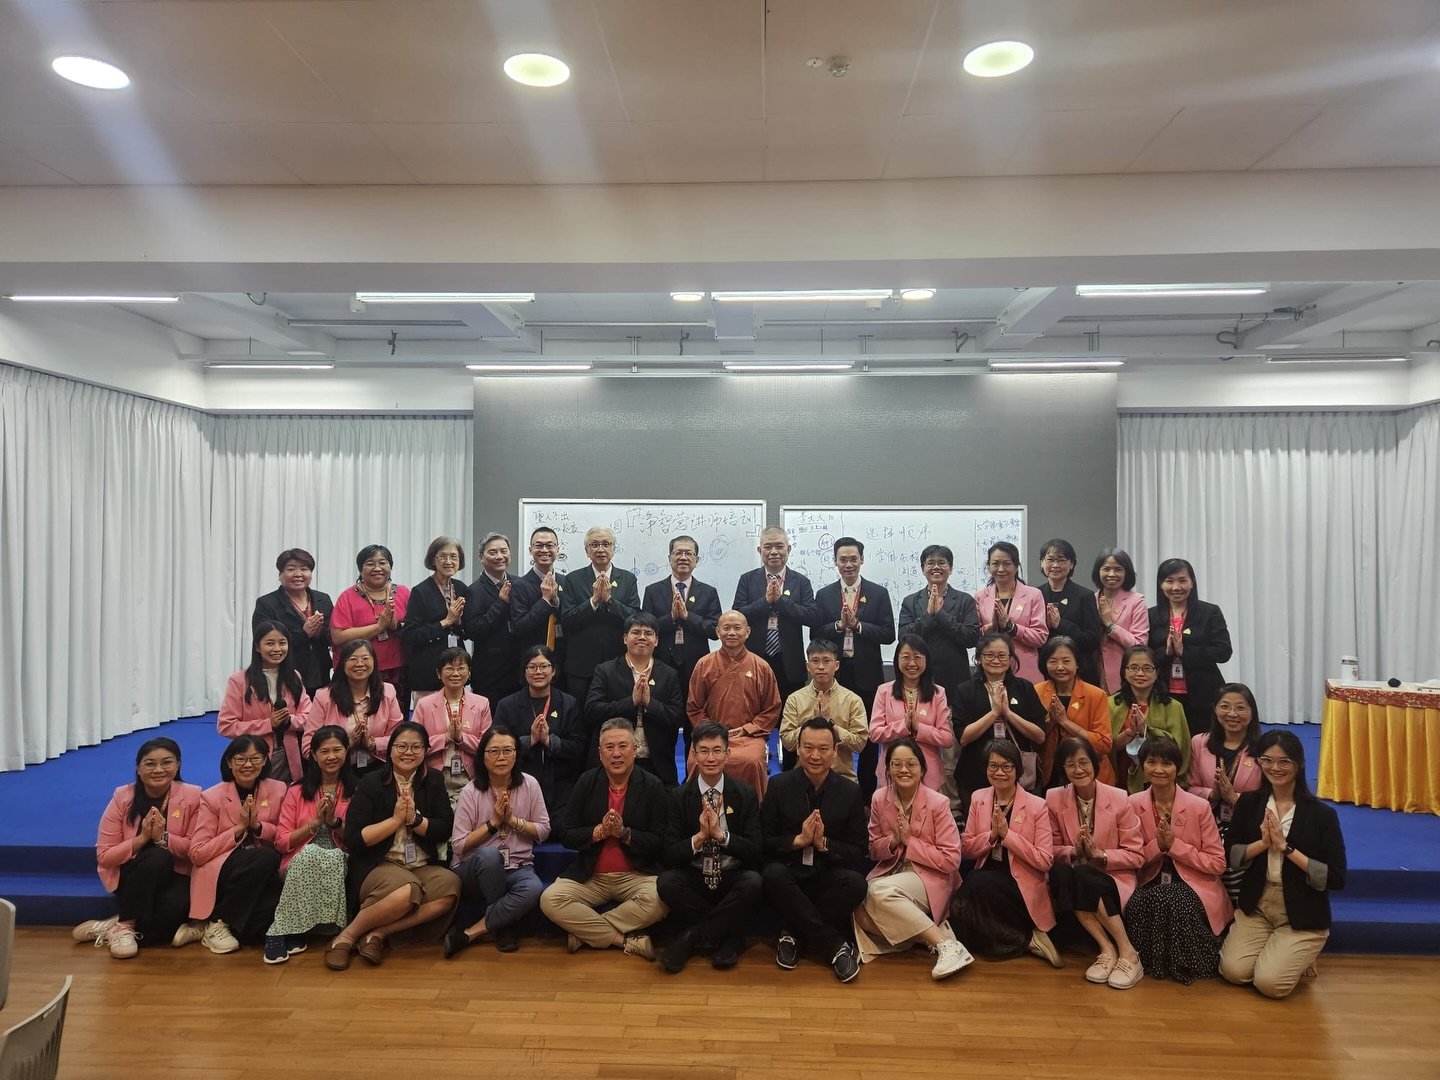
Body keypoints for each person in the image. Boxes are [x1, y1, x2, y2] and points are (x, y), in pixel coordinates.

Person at [1219, 730, 1346, 999]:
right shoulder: (1250, 803)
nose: (1275, 768)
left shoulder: (1321, 814)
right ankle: (1283, 951)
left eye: (1284, 761)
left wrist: (1286, 848)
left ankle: (1302, 950)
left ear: (1299, 764)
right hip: (1258, 903)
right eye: (1267, 760)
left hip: (1301, 909)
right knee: (1234, 972)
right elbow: (1230, 856)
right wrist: (1263, 844)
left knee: (1270, 984)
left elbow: (1336, 877)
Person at [327, 721, 460, 969]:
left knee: (450, 888)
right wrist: (396, 821)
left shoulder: (432, 780)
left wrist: (415, 821)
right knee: (409, 889)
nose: (408, 752)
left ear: (426, 751)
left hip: (419, 864)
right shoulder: (371, 782)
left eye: (416, 747)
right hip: (380, 864)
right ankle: (347, 936)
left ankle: (378, 933)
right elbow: (354, 838)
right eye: (401, 746)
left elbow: (444, 828)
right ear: (389, 750)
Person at [540, 718, 671, 960]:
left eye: (623, 746)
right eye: (609, 748)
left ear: (636, 749)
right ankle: (625, 940)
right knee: (549, 899)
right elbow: (566, 833)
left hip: (636, 875)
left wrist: (625, 834)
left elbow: (660, 840)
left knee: (661, 899)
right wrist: (598, 832)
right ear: (600, 754)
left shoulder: (652, 785)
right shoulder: (587, 782)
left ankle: (584, 933)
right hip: (591, 877)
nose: (616, 754)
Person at [759, 718, 868, 983]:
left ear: (835, 751)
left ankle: (793, 933)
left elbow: (858, 850)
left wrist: (823, 845)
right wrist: (797, 841)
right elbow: (763, 840)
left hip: (826, 873)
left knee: (856, 884)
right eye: (808, 748)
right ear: (797, 748)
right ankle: (833, 946)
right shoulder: (779, 785)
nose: (815, 755)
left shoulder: (850, 791)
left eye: (823, 749)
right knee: (772, 874)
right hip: (790, 873)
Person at [73, 737, 202, 958]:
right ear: (138, 768)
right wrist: (141, 839)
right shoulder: (123, 796)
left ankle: (110, 927)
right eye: (150, 763)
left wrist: (163, 838)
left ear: (178, 765)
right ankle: (125, 926)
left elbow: (195, 848)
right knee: (156, 858)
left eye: (167, 762)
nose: (158, 769)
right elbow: (104, 856)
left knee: (175, 912)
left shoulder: (193, 796)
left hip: (176, 873)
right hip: (131, 874)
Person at [854, 739, 972, 980]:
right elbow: (874, 849)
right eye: (896, 764)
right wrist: (894, 842)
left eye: (911, 764)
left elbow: (951, 860)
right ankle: (932, 935)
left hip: (931, 877)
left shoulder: (938, 803)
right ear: (887, 769)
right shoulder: (879, 798)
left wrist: (911, 842)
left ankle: (947, 946)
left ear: (922, 769)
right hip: (893, 872)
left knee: (876, 893)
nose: (903, 770)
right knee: (859, 911)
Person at [656, 721, 764, 974]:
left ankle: (692, 937)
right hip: (694, 874)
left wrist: (721, 835)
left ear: (728, 754)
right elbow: (668, 853)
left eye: (717, 750)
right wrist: (701, 837)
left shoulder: (745, 794)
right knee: (666, 882)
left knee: (753, 882)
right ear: (693, 754)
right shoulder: (679, 796)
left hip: (730, 874)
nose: (710, 757)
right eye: (703, 750)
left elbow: (756, 850)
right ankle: (729, 937)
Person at [1126, 735, 1232, 984]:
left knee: (1173, 899)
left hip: (1194, 883)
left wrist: (1175, 846)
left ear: (1178, 768)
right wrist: (1157, 847)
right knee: (1140, 902)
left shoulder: (1199, 807)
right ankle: (1149, 964)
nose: (1159, 770)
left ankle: (1185, 964)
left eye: (1167, 763)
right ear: (1143, 767)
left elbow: (1218, 862)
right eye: (1152, 762)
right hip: (1149, 878)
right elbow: (1131, 857)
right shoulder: (1132, 803)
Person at [1045, 737, 1145, 989]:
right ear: (1063, 770)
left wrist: (1101, 855)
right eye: (1070, 765)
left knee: (1086, 875)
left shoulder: (1120, 798)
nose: (1078, 770)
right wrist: (1073, 849)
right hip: (1077, 875)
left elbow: (1137, 855)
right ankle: (1106, 947)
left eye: (1083, 762)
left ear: (1095, 763)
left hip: (1112, 876)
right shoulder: (1054, 798)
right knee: (1063, 872)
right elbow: (1050, 847)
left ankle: (1129, 952)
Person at [444, 726, 550, 958]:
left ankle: (472, 932)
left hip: (518, 867)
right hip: (474, 868)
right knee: (491, 857)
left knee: (533, 888)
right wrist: (493, 823)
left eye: (507, 750)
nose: (501, 757)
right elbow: (459, 846)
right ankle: (504, 927)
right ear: (482, 756)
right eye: (494, 751)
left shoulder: (530, 785)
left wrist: (512, 821)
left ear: (516, 754)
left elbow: (543, 831)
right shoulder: (471, 792)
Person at [954, 739, 1061, 966]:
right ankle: (1028, 939)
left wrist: (1008, 836)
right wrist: (992, 836)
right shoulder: (979, 798)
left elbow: (1045, 860)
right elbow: (967, 848)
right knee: (963, 904)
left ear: (1017, 770)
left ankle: (1021, 935)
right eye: (993, 766)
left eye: (1006, 766)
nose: (999, 772)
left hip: (1021, 886)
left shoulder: (1036, 805)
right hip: (986, 880)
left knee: (975, 884)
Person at [178, 735, 286, 955]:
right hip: (224, 867)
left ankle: (211, 926)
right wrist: (238, 829)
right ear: (229, 762)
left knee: (264, 922)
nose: (248, 765)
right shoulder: (212, 797)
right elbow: (197, 853)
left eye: (255, 758)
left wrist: (256, 826)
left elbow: (283, 836)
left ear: (266, 760)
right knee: (265, 856)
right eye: (240, 759)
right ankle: (220, 922)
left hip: (261, 872)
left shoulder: (279, 789)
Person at [263, 725, 357, 964]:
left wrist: (334, 822)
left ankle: (287, 930)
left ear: (347, 751)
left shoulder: (357, 790)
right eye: (324, 751)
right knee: (311, 852)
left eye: (337, 750)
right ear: (313, 755)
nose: (331, 756)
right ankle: (284, 930)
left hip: (341, 854)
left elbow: (357, 840)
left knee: (331, 856)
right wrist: (314, 824)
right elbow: (282, 841)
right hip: (298, 858)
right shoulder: (296, 791)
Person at [899, 544, 981, 813]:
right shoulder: (911, 601)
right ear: (923, 568)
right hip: (916, 682)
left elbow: (971, 637)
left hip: (953, 682)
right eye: (930, 562)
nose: (936, 567)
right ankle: (914, 801)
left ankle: (952, 807)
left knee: (949, 749)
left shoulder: (965, 600)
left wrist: (941, 615)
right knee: (916, 744)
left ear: (951, 568)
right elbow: (905, 638)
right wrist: (929, 614)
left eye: (942, 562)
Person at [812, 537, 896, 795]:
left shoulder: (878, 593)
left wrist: (858, 626)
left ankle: (867, 795)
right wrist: (838, 626)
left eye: (853, 559)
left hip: (867, 676)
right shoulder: (824, 594)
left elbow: (888, 634)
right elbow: (815, 634)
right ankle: (832, 788)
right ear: (835, 562)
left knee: (868, 738)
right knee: (830, 732)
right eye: (843, 559)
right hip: (834, 676)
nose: (848, 564)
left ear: (862, 560)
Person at [733, 526, 819, 732]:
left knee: (790, 724)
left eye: (779, 546)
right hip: (753, 661)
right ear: (759, 550)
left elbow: (812, 616)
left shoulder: (801, 582)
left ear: (788, 549)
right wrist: (765, 601)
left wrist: (780, 602)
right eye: (768, 547)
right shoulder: (747, 579)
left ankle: (789, 763)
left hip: (789, 663)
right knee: (752, 720)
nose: (773, 552)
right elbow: (738, 615)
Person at [686, 610, 782, 795]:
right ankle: (698, 814)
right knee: (694, 761)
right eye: (726, 628)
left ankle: (753, 815)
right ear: (717, 632)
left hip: (747, 736)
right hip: (711, 735)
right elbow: (694, 706)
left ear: (747, 632)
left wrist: (749, 729)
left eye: (737, 628)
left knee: (752, 762)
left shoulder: (761, 666)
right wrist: (711, 730)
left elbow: (772, 707)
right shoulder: (704, 664)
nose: (731, 633)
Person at [585, 613, 685, 785]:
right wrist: (630, 702)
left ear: (657, 640)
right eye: (636, 632)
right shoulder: (605, 671)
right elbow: (592, 711)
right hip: (613, 762)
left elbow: (677, 717)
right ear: (625, 638)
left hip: (657, 763)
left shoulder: (669, 674)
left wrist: (649, 704)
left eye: (648, 633)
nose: (642, 637)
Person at [642, 535, 721, 752]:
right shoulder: (653, 590)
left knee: (694, 726)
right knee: (662, 724)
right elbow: (646, 628)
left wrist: (688, 617)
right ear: (669, 558)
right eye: (678, 553)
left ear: (697, 559)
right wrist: (671, 617)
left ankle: (693, 780)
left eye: (689, 553)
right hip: (661, 667)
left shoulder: (708, 592)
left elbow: (716, 630)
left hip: (696, 667)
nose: (683, 557)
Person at [1188, 683, 1264, 902]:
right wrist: (1212, 795)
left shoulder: (1262, 748)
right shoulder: (1199, 742)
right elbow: (1189, 787)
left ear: (1252, 713)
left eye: (1241, 708)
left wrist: (1235, 798)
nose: (1232, 714)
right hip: (1207, 822)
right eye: (1225, 707)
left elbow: (1268, 796)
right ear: (1215, 709)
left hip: (1246, 825)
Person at [952, 633, 1047, 807]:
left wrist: (1008, 714)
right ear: (979, 659)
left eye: (1002, 655)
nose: (996, 660)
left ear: (1011, 659)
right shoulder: (965, 690)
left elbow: (1040, 735)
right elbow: (963, 737)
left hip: (1017, 772)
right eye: (989, 655)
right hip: (975, 773)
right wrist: (994, 713)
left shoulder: (1024, 687)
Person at [492, 645, 585, 812]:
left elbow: (579, 746)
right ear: (524, 671)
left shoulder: (569, 704)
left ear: (554, 671)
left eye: (544, 666)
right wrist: (529, 741)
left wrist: (550, 741)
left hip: (561, 782)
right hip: (519, 780)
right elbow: (495, 746)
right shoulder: (507, 705)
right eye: (532, 667)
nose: (538, 672)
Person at [1147, 558, 1233, 738]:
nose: (1176, 587)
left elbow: (1223, 651)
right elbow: (1145, 654)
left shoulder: (1210, 612)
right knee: (1168, 744)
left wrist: (1185, 652)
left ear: (1192, 582)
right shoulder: (1151, 615)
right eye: (1169, 581)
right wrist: (1167, 652)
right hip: (1163, 692)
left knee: (1201, 743)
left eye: (1182, 580)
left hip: (1202, 693)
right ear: (1160, 584)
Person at [217, 620, 310, 783]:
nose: (277, 649)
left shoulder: (294, 677)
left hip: (290, 754)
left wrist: (289, 722)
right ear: (257, 647)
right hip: (254, 756)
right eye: (270, 643)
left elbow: (309, 715)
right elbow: (226, 726)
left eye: (282, 643)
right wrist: (269, 724)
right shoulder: (239, 681)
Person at [560, 526, 640, 703]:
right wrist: (594, 601)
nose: (600, 549)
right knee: (580, 719)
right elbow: (567, 620)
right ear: (587, 551)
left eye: (606, 544)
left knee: (616, 715)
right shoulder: (573, 579)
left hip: (618, 662)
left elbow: (634, 618)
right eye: (594, 544)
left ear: (613, 548)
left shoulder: (627, 579)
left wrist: (610, 601)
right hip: (580, 665)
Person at [304, 639, 404, 773]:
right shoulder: (324, 697)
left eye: (365, 658)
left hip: (378, 767)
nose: (360, 664)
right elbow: (307, 747)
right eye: (353, 659)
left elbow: (399, 738)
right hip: (337, 771)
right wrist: (347, 744)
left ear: (374, 662)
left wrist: (372, 744)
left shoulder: (388, 691)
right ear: (342, 664)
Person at [869, 635, 954, 792]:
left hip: (928, 772)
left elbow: (947, 738)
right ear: (897, 660)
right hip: (892, 770)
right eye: (906, 657)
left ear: (926, 661)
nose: (912, 663)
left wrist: (919, 728)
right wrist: (903, 726)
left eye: (917, 657)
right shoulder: (884, 691)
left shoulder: (938, 693)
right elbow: (874, 733)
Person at [779, 639, 869, 783]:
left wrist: (831, 725)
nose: (821, 667)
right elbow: (787, 743)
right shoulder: (795, 699)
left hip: (842, 777)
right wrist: (811, 724)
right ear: (808, 666)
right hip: (803, 776)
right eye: (815, 661)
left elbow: (859, 744)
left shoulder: (852, 700)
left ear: (837, 665)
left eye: (827, 661)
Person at [330, 544, 411, 702]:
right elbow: (337, 636)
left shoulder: (403, 593)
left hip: (398, 670)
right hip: (359, 670)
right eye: (370, 563)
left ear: (390, 567)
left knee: (395, 719)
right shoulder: (348, 596)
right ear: (360, 569)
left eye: (382, 563)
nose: (377, 568)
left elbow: (414, 628)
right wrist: (378, 627)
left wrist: (395, 625)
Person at [411, 647, 492, 804]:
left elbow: (487, 746)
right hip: (434, 775)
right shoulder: (424, 704)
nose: (456, 673)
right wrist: (445, 738)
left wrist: (461, 738)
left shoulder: (482, 703)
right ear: (439, 673)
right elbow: (415, 745)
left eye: (461, 668)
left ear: (469, 673)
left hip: (471, 775)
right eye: (449, 668)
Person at [1035, 635, 1114, 788]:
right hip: (1049, 772)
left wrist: (1065, 722)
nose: (1059, 667)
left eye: (1066, 661)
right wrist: (1051, 722)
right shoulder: (1037, 691)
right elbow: (1033, 739)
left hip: (1088, 772)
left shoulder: (1096, 695)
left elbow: (1104, 744)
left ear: (1077, 663)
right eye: (1053, 661)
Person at [251, 548, 334, 694]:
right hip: (285, 673)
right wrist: (304, 633)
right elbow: (263, 640)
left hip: (320, 671)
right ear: (280, 575)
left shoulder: (323, 599)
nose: (298, 574)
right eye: (291, 569)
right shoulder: (266, 603)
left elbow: (332, 633)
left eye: (304, 569)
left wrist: (320, 631)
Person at [1109, 645, 1190, 794]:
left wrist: (1147, 731)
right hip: (1120, 777)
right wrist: (1130, 732)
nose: (1140, 673)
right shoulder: (1111, 704)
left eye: (1147, 668)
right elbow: (1107, 747)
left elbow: (1180, 748)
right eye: (1133, 668)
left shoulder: (1173, 707)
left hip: (1160, 779)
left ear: (1156, 673)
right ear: (1124, 673)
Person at [401, 535, 470, 699]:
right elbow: (410, 634)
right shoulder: (421, 591)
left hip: (456, 667)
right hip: (428, 668)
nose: (449, 561)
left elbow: (467, 631)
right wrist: (445, 622)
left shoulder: (461, 589)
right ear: (433, 560)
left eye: (454, 557)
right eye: (443, 556)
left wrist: (459, 622)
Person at [974, 542, 1047, 682]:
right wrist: (991, 627)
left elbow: (1040, 637)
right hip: (990, 670)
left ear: (1016, 566)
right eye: (995, 563)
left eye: (1007, 563)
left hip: (1024, 670)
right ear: (988, 566)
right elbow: (974, 635)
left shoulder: (1033, 595)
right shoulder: (980, 596)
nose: (1001, 569)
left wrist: (1011, 627)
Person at [464, 532, 521, 709]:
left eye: (503, 551)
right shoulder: (473, 591)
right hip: (490, 673)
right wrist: (500, 603)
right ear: (481, 558)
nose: (499, 557)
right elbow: (473, 630)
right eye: (493, 552)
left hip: (518, 669)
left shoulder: (519, 583)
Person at [1037, 539, 1103, 687]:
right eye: (1050, 560)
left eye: (1061, 560)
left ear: (1071, 564)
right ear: (1042, 562)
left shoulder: (1084, 596)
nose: (1055, 565)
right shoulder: (1035, 594)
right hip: (1043, 671)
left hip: (1080, 671)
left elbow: (1092, 640)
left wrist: (1061, 624)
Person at [1091, 548, 1148, 693]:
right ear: (1098, 572)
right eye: (1106, 569)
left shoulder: (1136, 601)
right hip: (1090, 672)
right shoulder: (1089, 599)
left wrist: (1110, 625)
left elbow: (1140, 644)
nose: (1111, 574)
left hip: (1123, 674)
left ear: (1126, 573)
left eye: (1118, 569)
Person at [509, 525, 567, 666]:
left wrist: (556, 601)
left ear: (557, 550)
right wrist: (545, 601)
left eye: (550, 545)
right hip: (533, 659)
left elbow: (570, 619)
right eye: (539, 546)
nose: (545, 550)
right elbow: (519, 627)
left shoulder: (566, 581)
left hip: (563, 658)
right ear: (531, 550)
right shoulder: (520, 585)